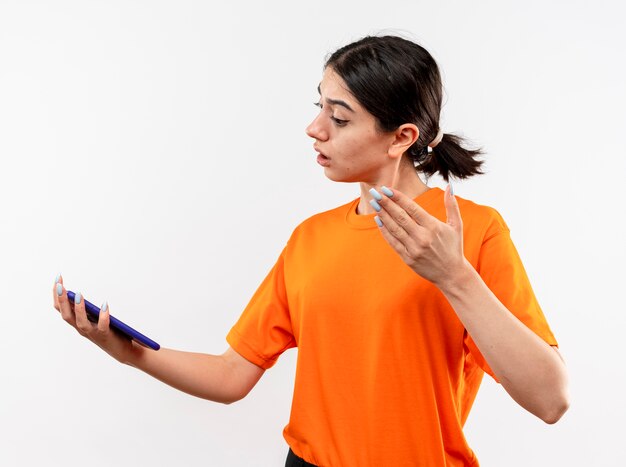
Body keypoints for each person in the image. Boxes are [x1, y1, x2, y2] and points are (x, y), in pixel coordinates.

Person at [52, 34, 569, 466]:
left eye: (339, 118)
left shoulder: (474, 232)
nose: (315, 128)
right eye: (319, 105)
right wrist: (132, 354)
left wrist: (454, 277)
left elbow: (550, 400)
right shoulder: (311, 238)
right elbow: (233, 376)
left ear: (401, 137)